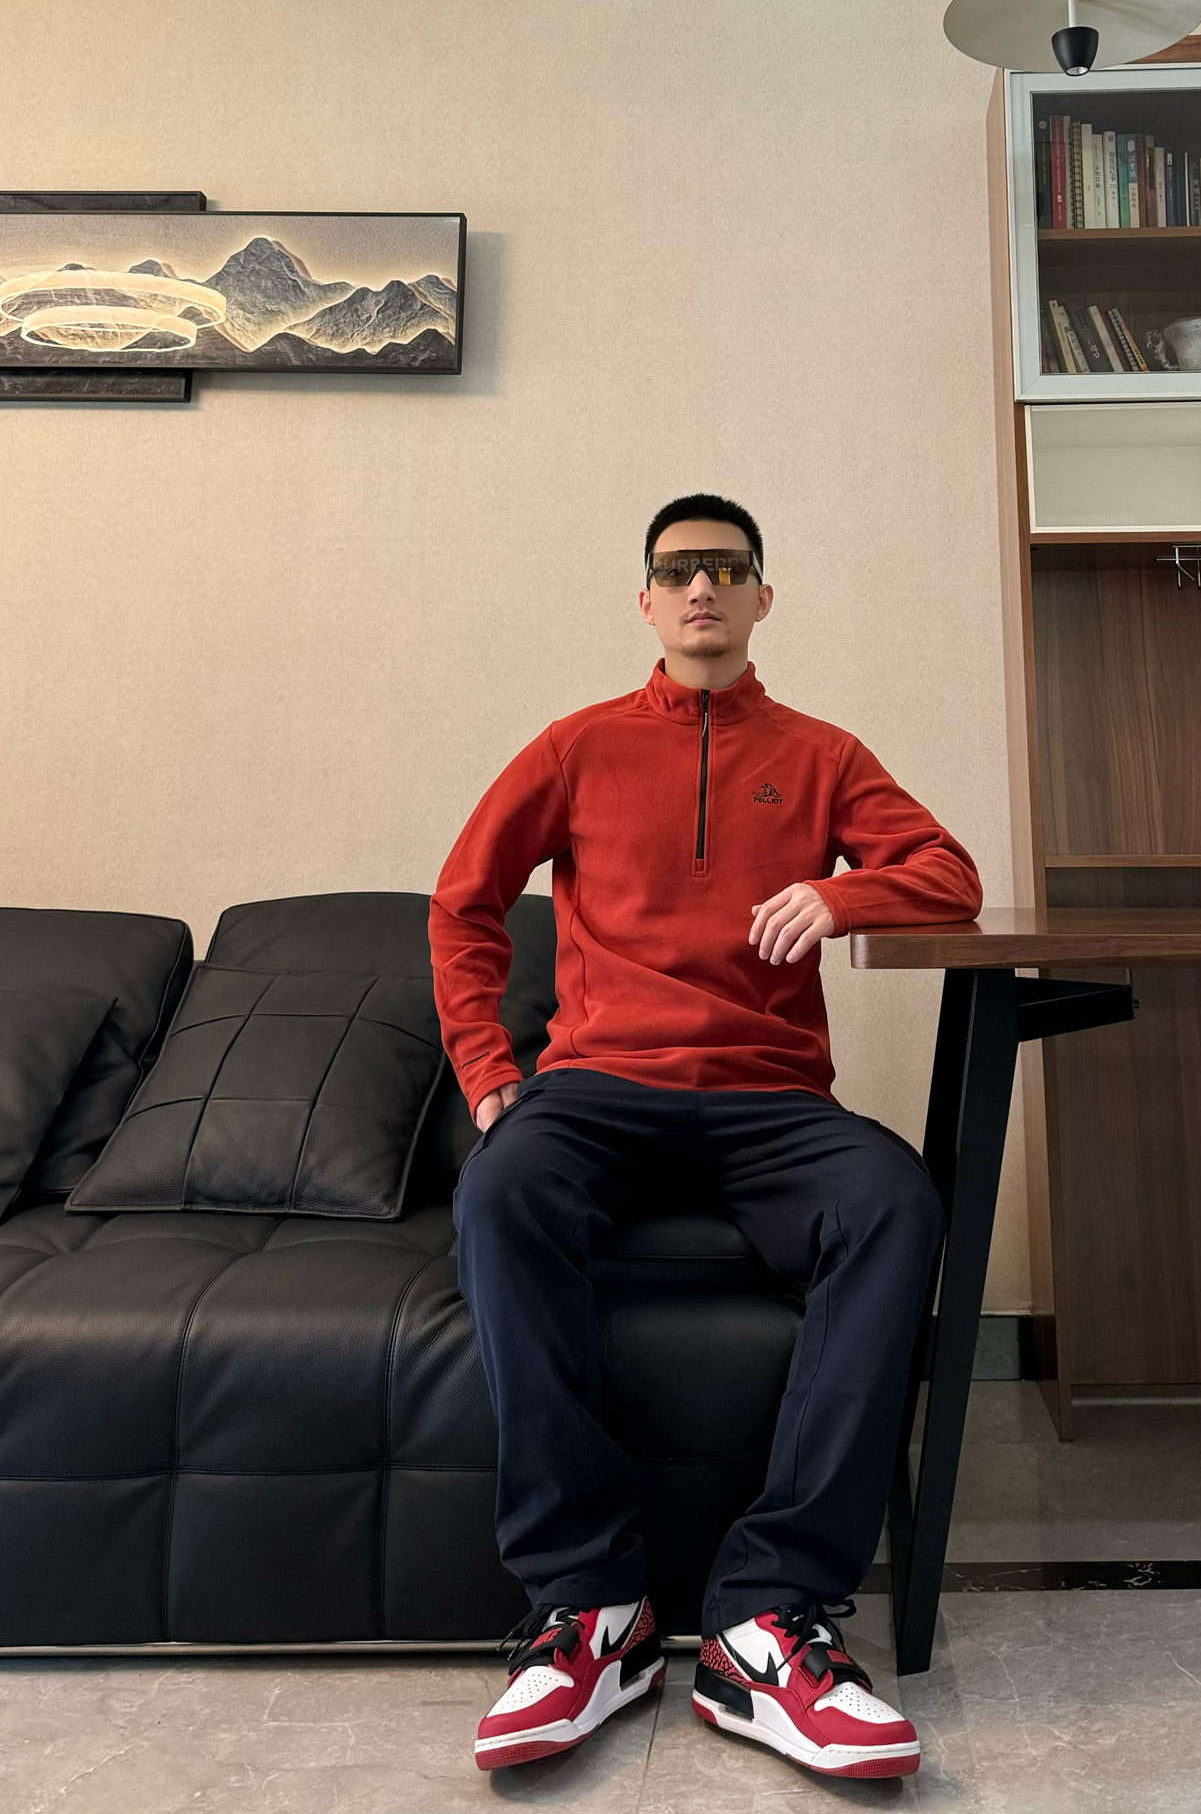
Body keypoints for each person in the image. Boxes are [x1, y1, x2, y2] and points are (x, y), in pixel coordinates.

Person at [430, 494, 982, 1779]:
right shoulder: (574, 747)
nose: (700, 588)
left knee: (894, 1203)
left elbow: (947, 876)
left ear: (759, 599)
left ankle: (766, 1620)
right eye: (677, 570)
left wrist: (840, 894)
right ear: (644, 601)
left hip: (766, 1100)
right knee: (500, 1192)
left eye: (726, 569)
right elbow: (462, 903)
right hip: (597, 1089)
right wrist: (488, 1070)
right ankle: (590, 1610)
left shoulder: (821, 752)